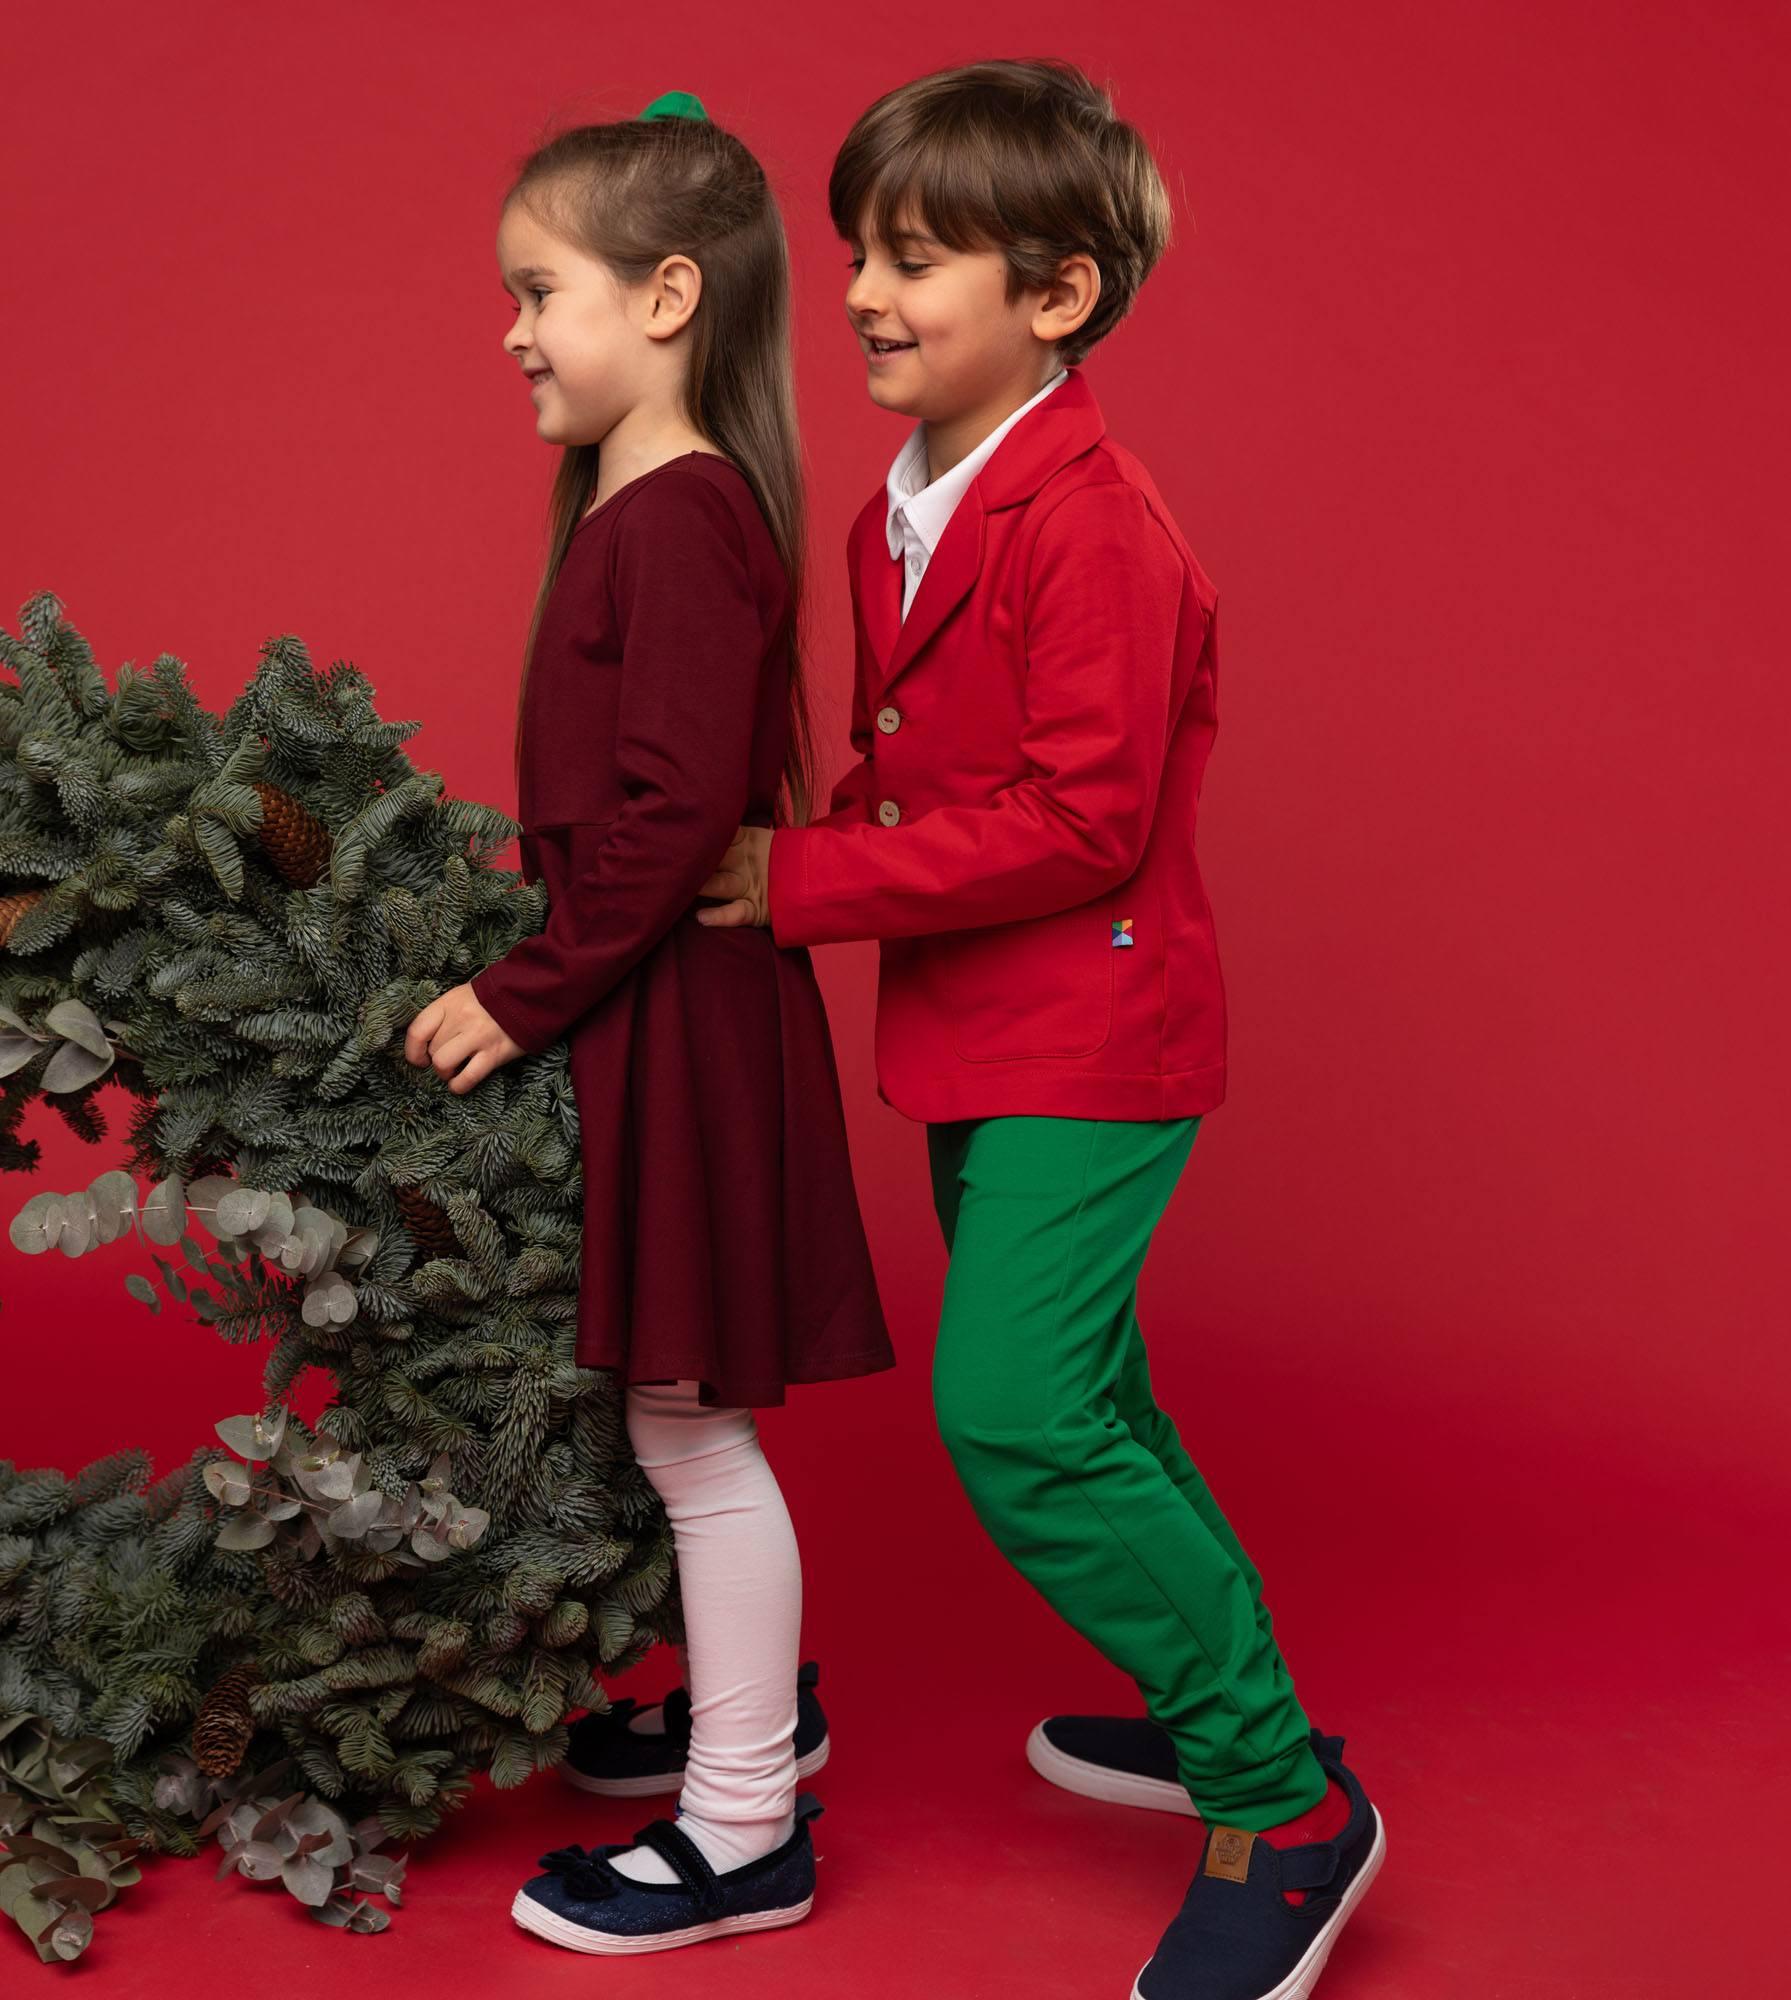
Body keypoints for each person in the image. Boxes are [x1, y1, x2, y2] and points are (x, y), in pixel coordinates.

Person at [697, 59, 1385, 2000]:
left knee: (1015, 1413)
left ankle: (1283, 1796)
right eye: (856, 252)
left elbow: (1087, 816)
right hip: (978, 1029)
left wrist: (798, 883)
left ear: (1057, 293)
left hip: (1094, 1033)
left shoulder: (1099, 524)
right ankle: (1223, 1695)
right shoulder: (904, 507)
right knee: (1093, 1397)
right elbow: (914, 773)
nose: (859, 291)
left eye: (916, 257)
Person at [401, 87, 893, 1957]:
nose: (514, 329)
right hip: (654, 1007)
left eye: (543, 290)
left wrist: (519, 998)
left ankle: (748, 1825)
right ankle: (747, 1713)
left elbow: (675, 814)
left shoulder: (683, 515)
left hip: (677, 1016)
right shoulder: (638, 494)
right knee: (666, 1415)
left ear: (669, 295)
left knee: (691, 1433)